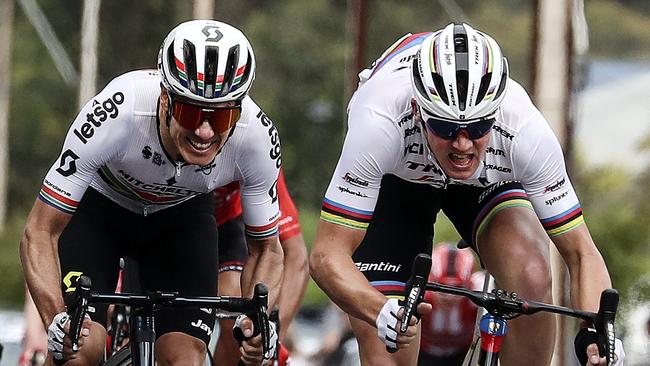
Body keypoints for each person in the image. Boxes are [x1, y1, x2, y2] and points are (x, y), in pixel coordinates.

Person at [309, 23, 624, 366]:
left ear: (495, 114)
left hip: (483, 181)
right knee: (389, 346)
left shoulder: (524, 131)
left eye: (477, 128)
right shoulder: (378, 122)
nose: (462, 144)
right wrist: (379, 309)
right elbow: (326, 257)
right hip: (398, 178)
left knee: (531, 274)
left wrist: (596, 333)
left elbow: (581, 254)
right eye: (445, 127)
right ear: (418, 110)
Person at [20, 19, 284, 366]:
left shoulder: (257, 138)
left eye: (220, 118)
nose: (204, 132)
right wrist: (57, 319)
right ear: (165, 99)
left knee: (183, 357)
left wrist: (256, 320)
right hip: (100, 210)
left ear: (238, 112)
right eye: (191, 112)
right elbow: (39, 230)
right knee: (78, 352)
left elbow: (267, 249)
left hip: (181, 220)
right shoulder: (119, 111)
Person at [213, 168, 309, 365]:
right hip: (165, 218)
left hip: (227, 225)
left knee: (239, 319)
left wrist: (269, 335)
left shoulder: (257, 147)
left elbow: (297, 257)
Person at [418, 243, 483, 366]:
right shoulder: (420, 295)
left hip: (463, 356)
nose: (450, 297)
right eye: (442, 288)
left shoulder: (479, 292)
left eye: (458, 289)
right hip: (422, 355)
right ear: (429, 281)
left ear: (470, 284)